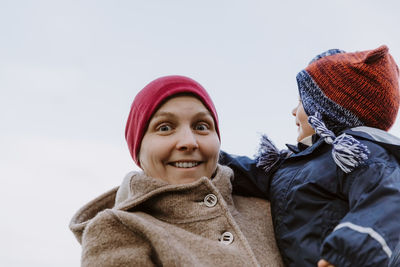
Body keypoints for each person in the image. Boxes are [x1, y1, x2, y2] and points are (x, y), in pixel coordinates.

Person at [69, 75, 283, 266]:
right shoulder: (120, 228)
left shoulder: (270, 210)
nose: (189, 142)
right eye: (164, 128)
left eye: (201, 126)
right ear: (138, 149)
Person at [221, 45, 400, 266]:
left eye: (300, 101)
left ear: (324, 110)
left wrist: (347, 254)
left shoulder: (360, 154)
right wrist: (204, 153)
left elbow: (387, 200)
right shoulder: (292, 164)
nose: (293, 111)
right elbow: (242, 171)